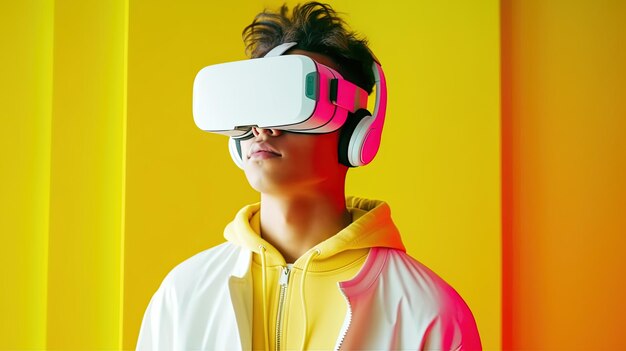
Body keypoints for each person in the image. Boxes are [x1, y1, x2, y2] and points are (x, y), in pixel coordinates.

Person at [136, 2, 482, 350]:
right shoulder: (183, 295)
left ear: (356, 133)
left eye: (294, 105)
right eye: (255, 104)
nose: (263, 127)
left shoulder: (427, 314)